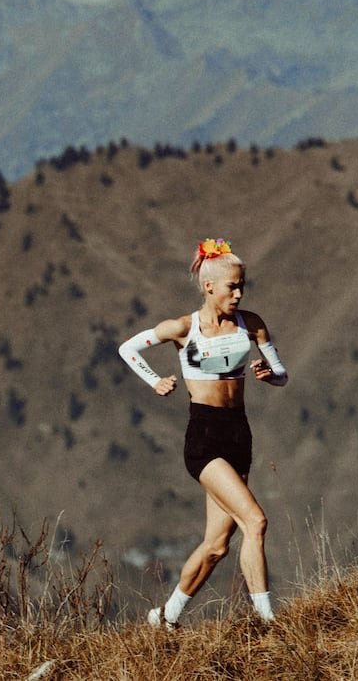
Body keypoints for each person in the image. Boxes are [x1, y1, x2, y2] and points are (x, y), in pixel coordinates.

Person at [118, 238, 289, 628]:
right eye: (233, 286)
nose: (239, 293)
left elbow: (282, 374)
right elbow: (128, 349)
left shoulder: (252, 324)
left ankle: (165, 616)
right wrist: (155, 381)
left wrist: (269, 374)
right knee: (256, 521)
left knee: (216, 547)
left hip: (238, 435)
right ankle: (268, 622)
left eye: (243, 285)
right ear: (209, 286)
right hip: (205, 437)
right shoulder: (183, 327)